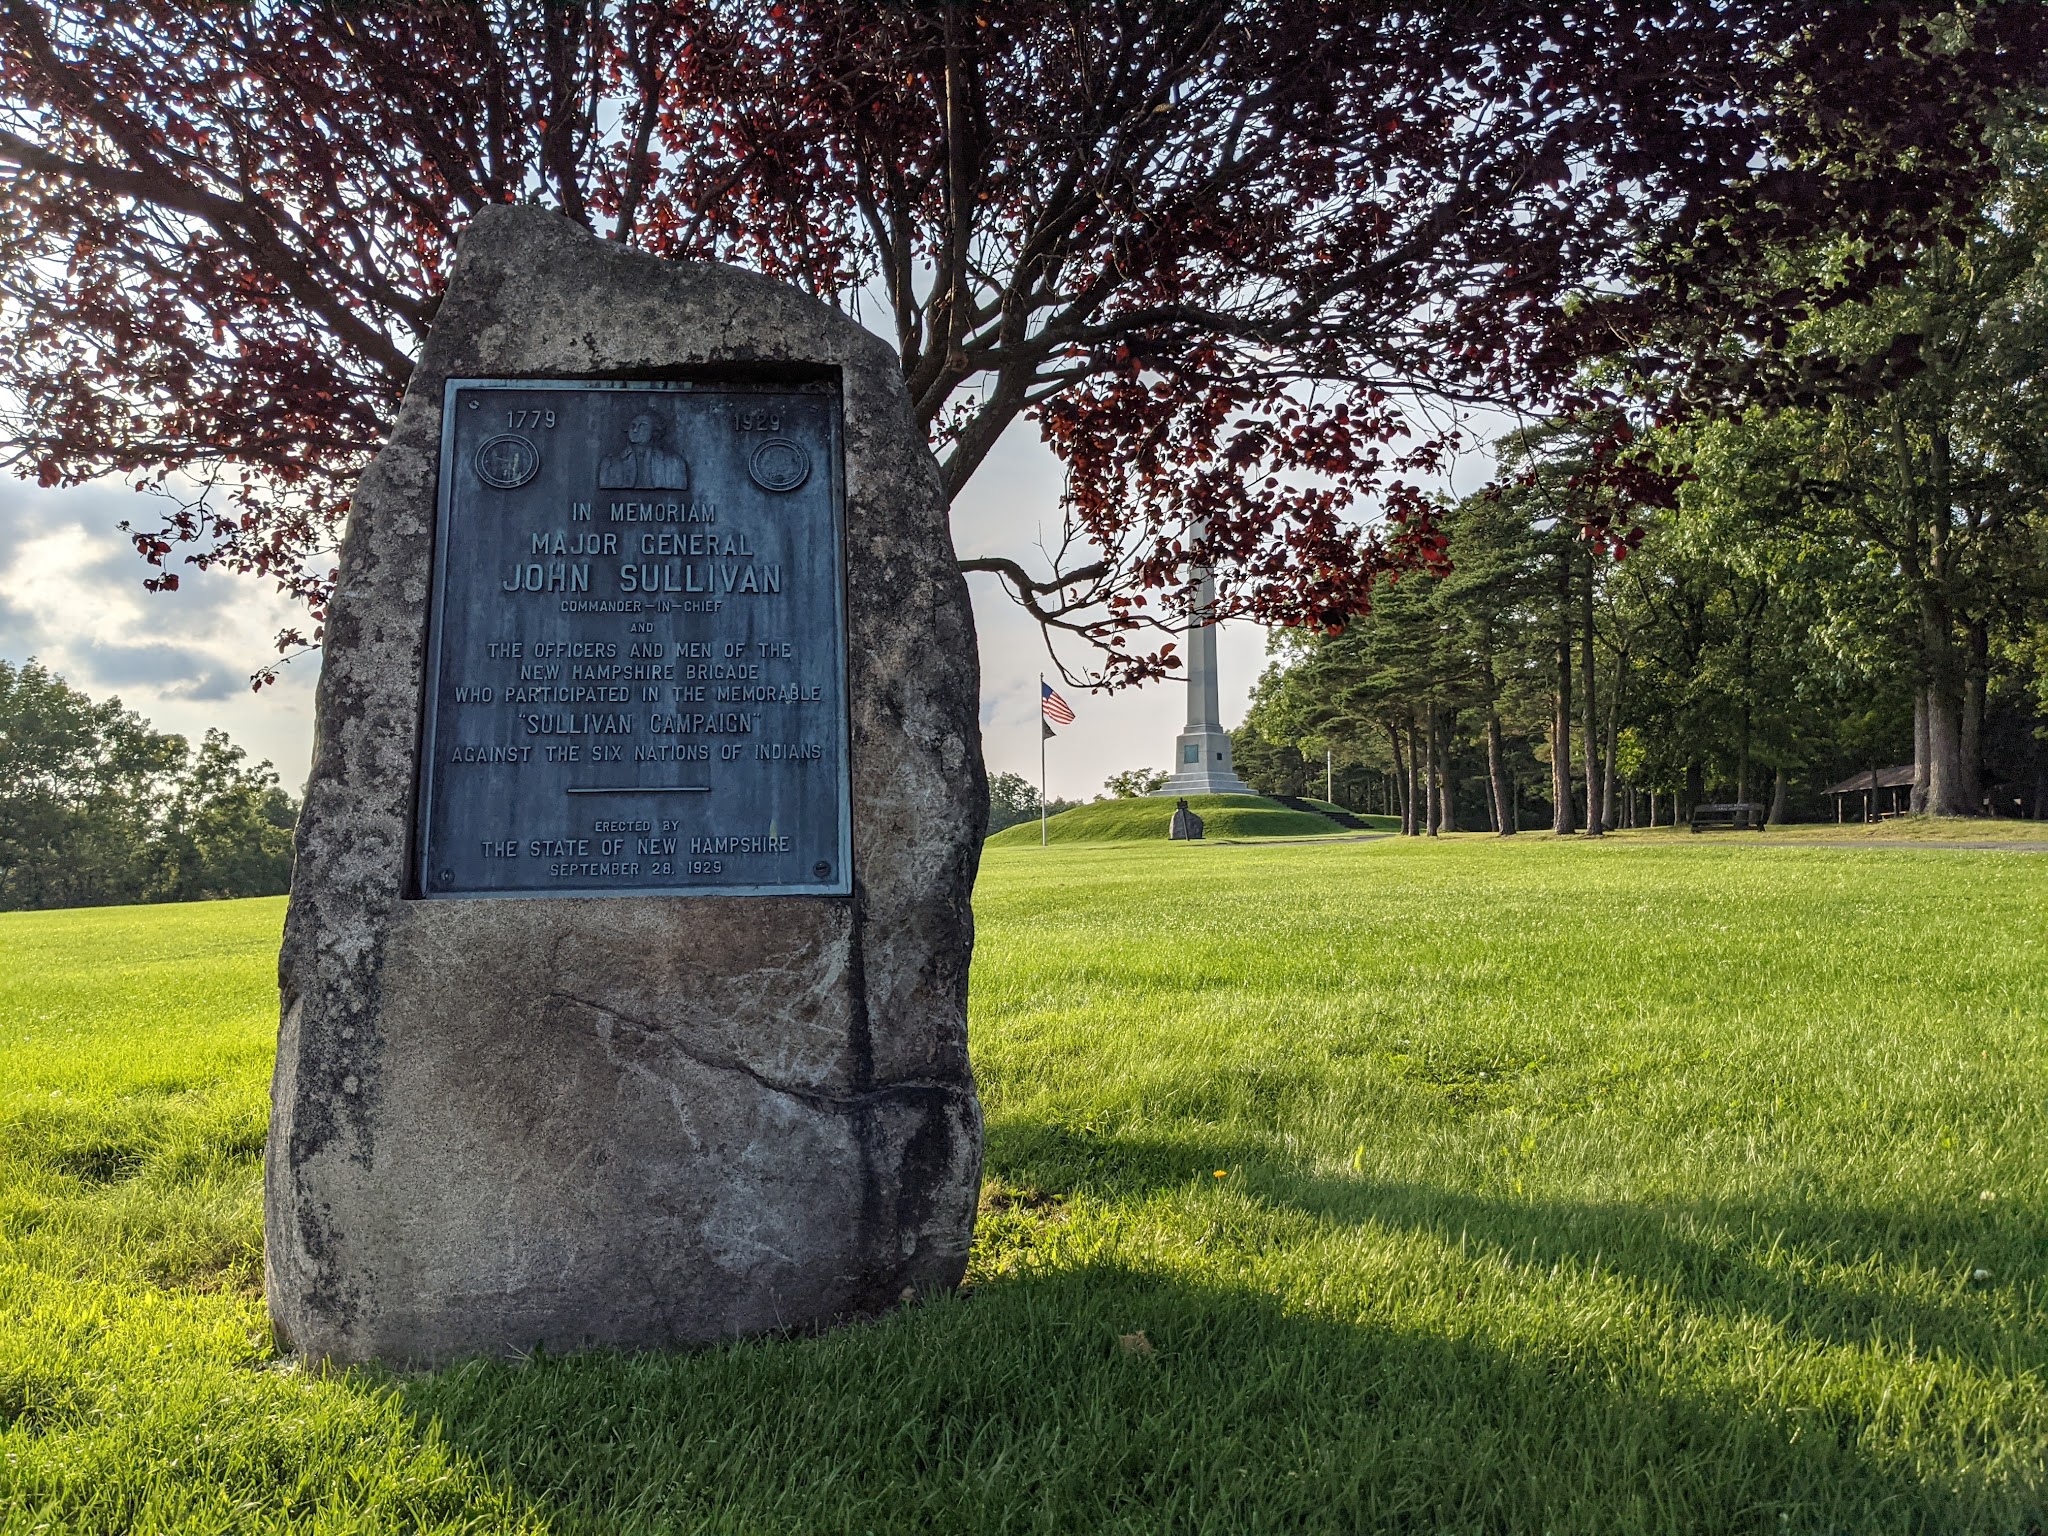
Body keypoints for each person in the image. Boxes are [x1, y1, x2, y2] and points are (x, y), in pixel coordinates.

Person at [599, 410, 690, 490]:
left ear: (655, 431)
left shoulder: (674, 463)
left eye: (642, 426)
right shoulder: (610, 464)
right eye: (633, 425)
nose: (635, 430)